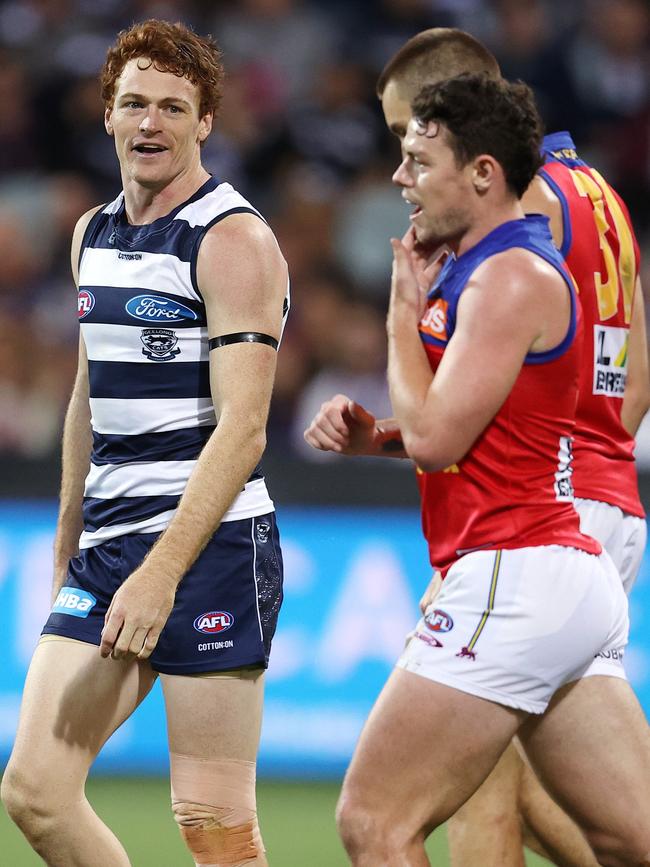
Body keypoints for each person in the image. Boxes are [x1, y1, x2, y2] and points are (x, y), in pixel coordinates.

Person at [308, 27, 650, 867]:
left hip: (528, 535)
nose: (400, 176)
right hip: (597, 512)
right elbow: (626, 383)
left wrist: (401, 317)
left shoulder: (515, 228)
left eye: (412, 144)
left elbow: (438, 435)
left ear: (474, 148)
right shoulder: (597, 194)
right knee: (623, 833)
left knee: (412, 812)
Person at [1, 19, 288, 867]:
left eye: (173, 105)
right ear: (107, 116)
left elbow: (244, 428)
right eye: (134, 103)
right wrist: (66, 543)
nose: (151, 122)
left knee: (213, 825)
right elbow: (88, 397)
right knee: (35, 794)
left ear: (206, 123)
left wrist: (162, 571)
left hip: (214, 544)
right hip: (106, 545)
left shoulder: (233, 240)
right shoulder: (93, 231)